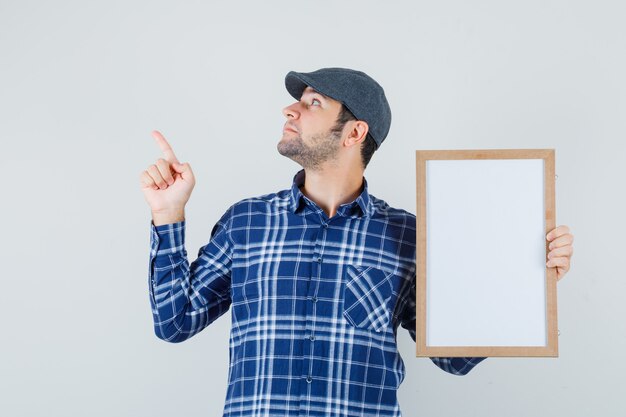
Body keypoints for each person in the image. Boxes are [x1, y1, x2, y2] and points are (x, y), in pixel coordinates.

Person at [139, 68, 574, 417]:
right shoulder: (246, 223)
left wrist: (530, 276)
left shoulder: (408, 237)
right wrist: (167, 214)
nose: (290, 109)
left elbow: (455, 358)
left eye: (313, 103)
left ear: (354, 133)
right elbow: (175, 322)